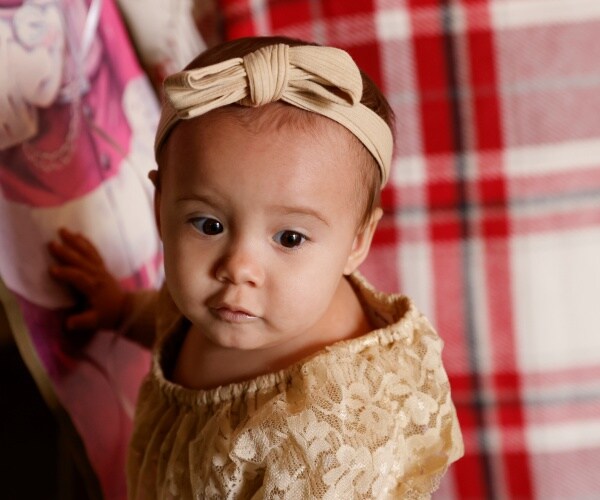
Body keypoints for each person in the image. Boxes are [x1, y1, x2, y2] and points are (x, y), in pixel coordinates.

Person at [49, 36, 463, 499]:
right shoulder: (229, 303)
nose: (238, 267)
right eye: (209, 224)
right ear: (161, 207)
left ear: (357, 241)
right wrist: (122, 310)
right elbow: (173, 324)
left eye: (289, 238)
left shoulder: (329, 440)